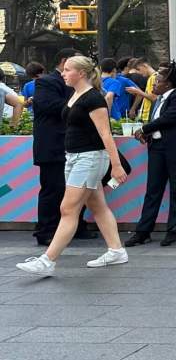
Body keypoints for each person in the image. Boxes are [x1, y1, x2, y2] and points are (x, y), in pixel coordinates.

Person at [17, 56, 129, 275]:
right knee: (97, 206)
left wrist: (116, 165)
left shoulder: (93, 98)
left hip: (89, 159)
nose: (63, 73)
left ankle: (47, 260)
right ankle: (116, 250)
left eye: (68, 70)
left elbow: (106, 134)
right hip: (75, 157)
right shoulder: (76, 95)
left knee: (67, 209)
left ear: (82, 73)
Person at [126, 62, 176, 248]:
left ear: (167, 84)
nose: (154, 84)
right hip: (157, 148)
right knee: (153, 190)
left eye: (157, 81)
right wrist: (148, 134)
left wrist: (144, 128)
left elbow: (168, 119)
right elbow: (160, 123)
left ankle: (174, 229)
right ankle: (143, 231)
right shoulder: (157, 101)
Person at [31, 49, 95, 246]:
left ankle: (75, 226)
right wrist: (78, 102)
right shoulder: (46, 82)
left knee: (80, 190)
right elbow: (47, 106)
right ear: (64, 62)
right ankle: (46, 230)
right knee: (53, 189)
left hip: (77, 146)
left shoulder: (81, 87)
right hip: (52, 147)